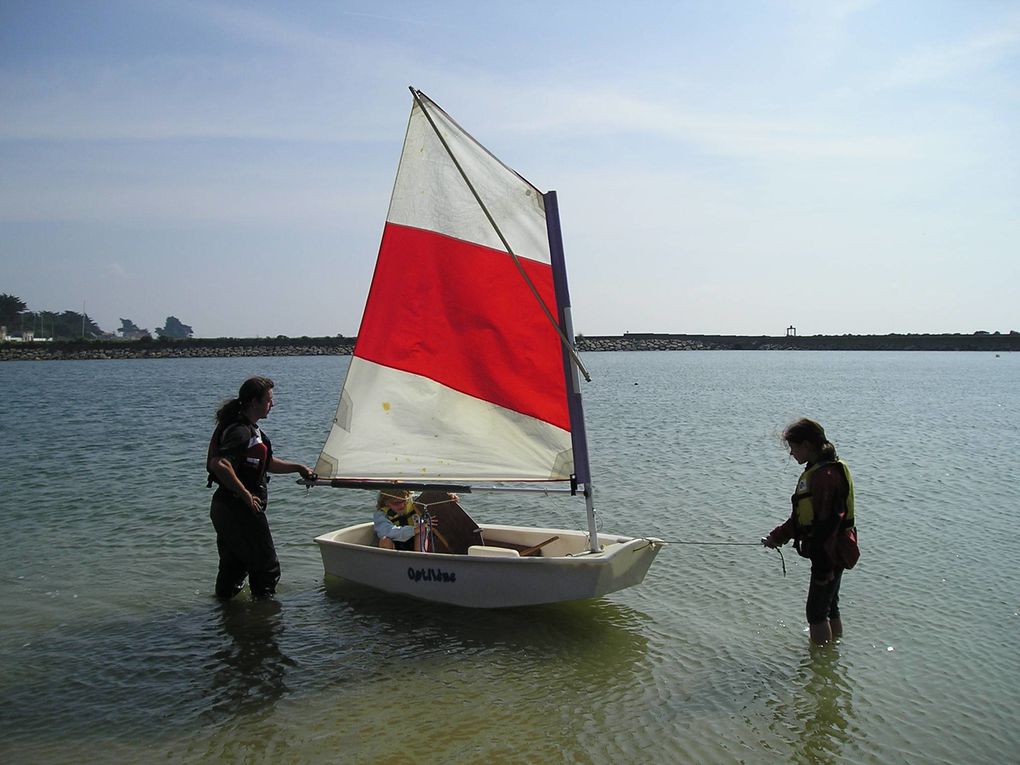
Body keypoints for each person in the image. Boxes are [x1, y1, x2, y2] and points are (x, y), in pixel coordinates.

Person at [207, 376, 314, 599]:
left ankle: (225, 619)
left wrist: (298, 467)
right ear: (253, 402)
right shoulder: (240, 431)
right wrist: (245, 494)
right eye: (268, 400)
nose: (272, 405)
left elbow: (268, 463)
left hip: (225, 508)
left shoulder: (251, 430)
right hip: (239, 509)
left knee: (234, 567)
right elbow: (220, 464)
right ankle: (264, 622)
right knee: (267, 568)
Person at [762, 418, 858, 645]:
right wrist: (777, 537)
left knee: (815, 613)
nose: (791, 454)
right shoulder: (827, 468)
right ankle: (833, 658)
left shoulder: (824, 477)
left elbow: (825, 523)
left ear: (806, 445)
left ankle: (821, 663)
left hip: (829, 552)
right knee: (830, 606)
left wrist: (824, 567)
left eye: (793, 448)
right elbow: (802, 519)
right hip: (840, 548)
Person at [373, 490, 446, 551]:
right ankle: (389, 566)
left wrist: (447, 498)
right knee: (385, 539)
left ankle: (420, 563)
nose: (402, 505)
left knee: (422, 532)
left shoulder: (417, 502)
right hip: (396, 545)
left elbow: (434, 499)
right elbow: (386, 531)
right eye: (396, 503)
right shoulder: (380, 514)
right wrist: (414, 530)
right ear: (386, 503)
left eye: (404, 501)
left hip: (417, 543)